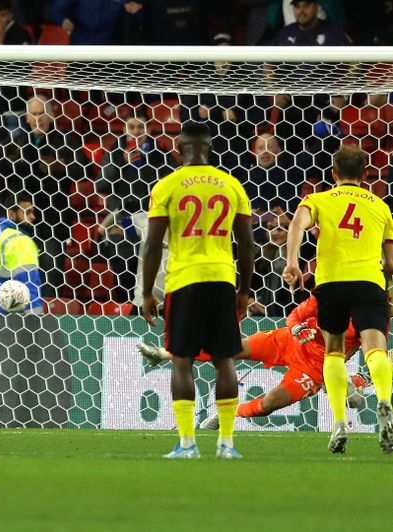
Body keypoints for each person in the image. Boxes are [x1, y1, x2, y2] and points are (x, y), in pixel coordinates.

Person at [141, 122, 254, 459]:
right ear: (210, 149)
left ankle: (188, 444)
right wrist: (244, 292)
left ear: (179, 150)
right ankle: (227, 443)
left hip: (184, 280)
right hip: (222, 279)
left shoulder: (167, 186)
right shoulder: (232, 185)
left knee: (182, 361)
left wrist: (147, 293)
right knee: (224, 360)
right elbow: (247, 245)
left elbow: (152, 246)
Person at [283, 144, 393, 454]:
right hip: (369, 283)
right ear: (365, 174)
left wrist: (292, 262)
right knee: (375, 350)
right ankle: (384, 399)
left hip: (331, 284)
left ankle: (341, 422)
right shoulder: (380, 206)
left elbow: (297, 225)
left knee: (333, 353)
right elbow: (392, 261)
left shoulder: (317, 199)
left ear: (333, 173)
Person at [138, 294, 364, 425]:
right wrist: (296, 329)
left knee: (270, 404)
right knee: (228, 349)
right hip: (288, 341)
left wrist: (332, 372)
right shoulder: (327, 293)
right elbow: (294, 316)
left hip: (314, 366)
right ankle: (163, 354)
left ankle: (228, 414)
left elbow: (354, 348)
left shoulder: (369, 315)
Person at [0, 193, 43, 314]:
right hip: (13, 321)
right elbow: (28, 284)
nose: (33, 217)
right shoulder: (20, 241)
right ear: (11, 215)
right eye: (27, 212)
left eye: (32, 212)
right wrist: (36, 321)